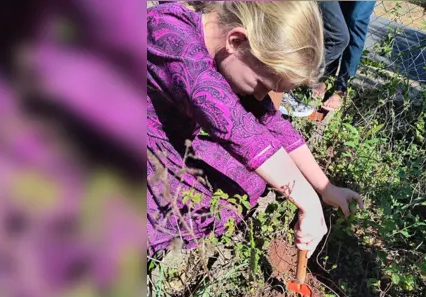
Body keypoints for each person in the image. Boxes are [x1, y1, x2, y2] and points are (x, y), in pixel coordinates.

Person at [147, 2, 364, 257]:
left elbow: (270, 122)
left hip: (165, 141)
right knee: (179, 213)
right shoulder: (171, 38)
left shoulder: (226, 51)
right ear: (237, 41)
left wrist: (325, 188)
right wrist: (308, 202)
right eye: (262, 84)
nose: (262, 94)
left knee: (248, 181)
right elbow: (238, 130)